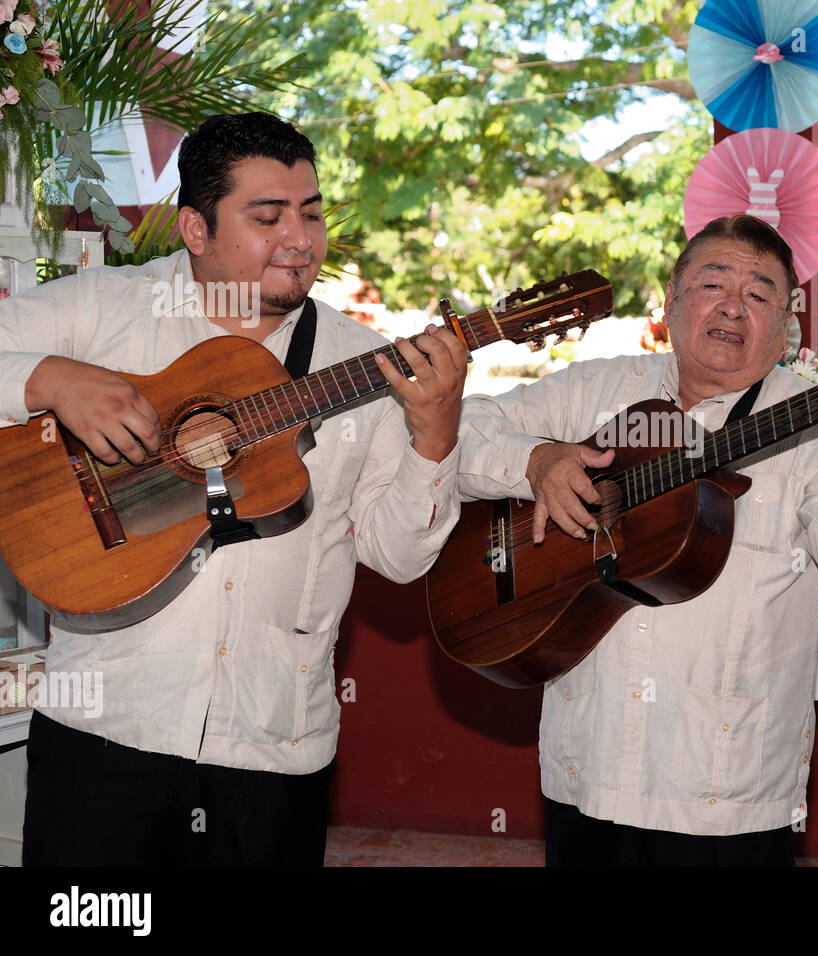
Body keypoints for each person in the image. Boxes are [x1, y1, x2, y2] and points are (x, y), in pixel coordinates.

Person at [0, 112, 468, 865]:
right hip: (106, 732)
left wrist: (436, 434)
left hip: (273, 750)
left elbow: (401, 555)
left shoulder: (363, 362)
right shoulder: (106, 311)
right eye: (268, 216)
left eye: (311, 213)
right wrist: (49, 378)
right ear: (195, 228)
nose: (300, 239)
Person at [457, 214, 818, 865]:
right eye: (712, 284)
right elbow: (464, 430)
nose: (731, 307)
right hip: (585, 768)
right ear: (670, 301)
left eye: (759, 295)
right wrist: (538, 463)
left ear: (786, 328)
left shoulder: (814, 426)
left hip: (725, 794)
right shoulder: (598, 389)